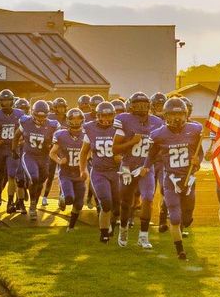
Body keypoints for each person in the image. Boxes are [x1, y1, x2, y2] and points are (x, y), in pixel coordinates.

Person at [149, 97, 204, 260]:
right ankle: (180, 250)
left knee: (186, 218)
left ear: (186, 114)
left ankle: (182, 224)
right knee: (175, 216)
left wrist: (198, 161)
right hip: (170, 178)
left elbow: (199, 152)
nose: (176, 118)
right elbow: (151, 155)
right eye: (172, 114)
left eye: (179, 114)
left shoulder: (194, 130)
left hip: (188, 179)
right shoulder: (159, 133)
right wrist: (145, 167)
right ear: (165, 116)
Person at [113, 92, 163, 249]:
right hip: (128, 167)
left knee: (148, 199)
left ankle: (143, 236)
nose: (141, 107)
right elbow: (115, 149)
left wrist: (148, 164)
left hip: (146, 168)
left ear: (149, 105)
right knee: (126, 203)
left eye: (144, 104)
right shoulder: (124, 120)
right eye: (138, 104)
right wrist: (132, 142)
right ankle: (123, 230)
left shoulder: (157, 122)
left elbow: (159, 150)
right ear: (131, 106)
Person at [80, 101, 124, 243]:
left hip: (116, 171)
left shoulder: (119, 128)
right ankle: (103, 233)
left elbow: (128, 150)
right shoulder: (90, 128)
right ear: (97, 115)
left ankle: (111, 224)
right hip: (99, 171)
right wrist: (82, 169)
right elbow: (83, 152)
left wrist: (121, 156)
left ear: (113, 116)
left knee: (117, 207)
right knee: (106, 203)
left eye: (109, 115)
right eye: (102, 115)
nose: (105, 119)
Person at [49, 108, 89, 231]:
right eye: (73, 119)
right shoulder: (61, 135)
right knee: (69, 198)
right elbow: (52, 153)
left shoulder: (87, 135)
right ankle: (63, 196)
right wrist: (60, 161)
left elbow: (91, 152)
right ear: (68, 120)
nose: (76, 122)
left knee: (79, 204)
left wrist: (86, 166)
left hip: (79, 173)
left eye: (78, 119)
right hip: (66, 173)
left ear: (82, 120)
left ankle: (71, 227)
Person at [19, 100, 56, 221]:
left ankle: (34, 200)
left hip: (44, 157)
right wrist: (14, 150)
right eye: (38, 115)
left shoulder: (52, 125)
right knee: (34, 178)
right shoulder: (25, 122)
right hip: (30, 155)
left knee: (41, 181)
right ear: (32, 113)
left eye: (43, 116)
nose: (40, 118)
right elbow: (15, 137)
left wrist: (51, 146)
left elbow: (58, 142)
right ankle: (33, 205)